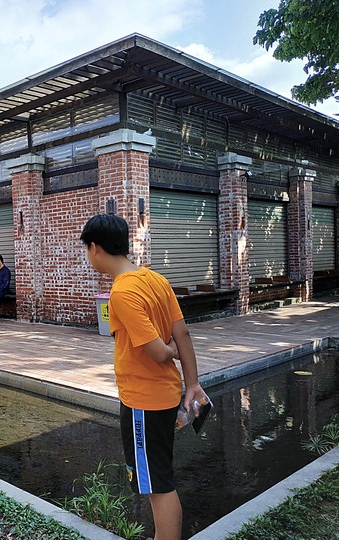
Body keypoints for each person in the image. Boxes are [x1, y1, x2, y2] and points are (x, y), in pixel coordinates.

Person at [80, 213, 206, 540]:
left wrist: (170, 351)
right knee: (156, 477)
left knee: (158, 484)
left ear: (95, 248)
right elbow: (183, 333)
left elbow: (161, 352)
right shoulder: (155, 279)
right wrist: (192, 383)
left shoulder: (122, 293)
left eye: (86, 250)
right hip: (165, 393)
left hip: (143, 402)